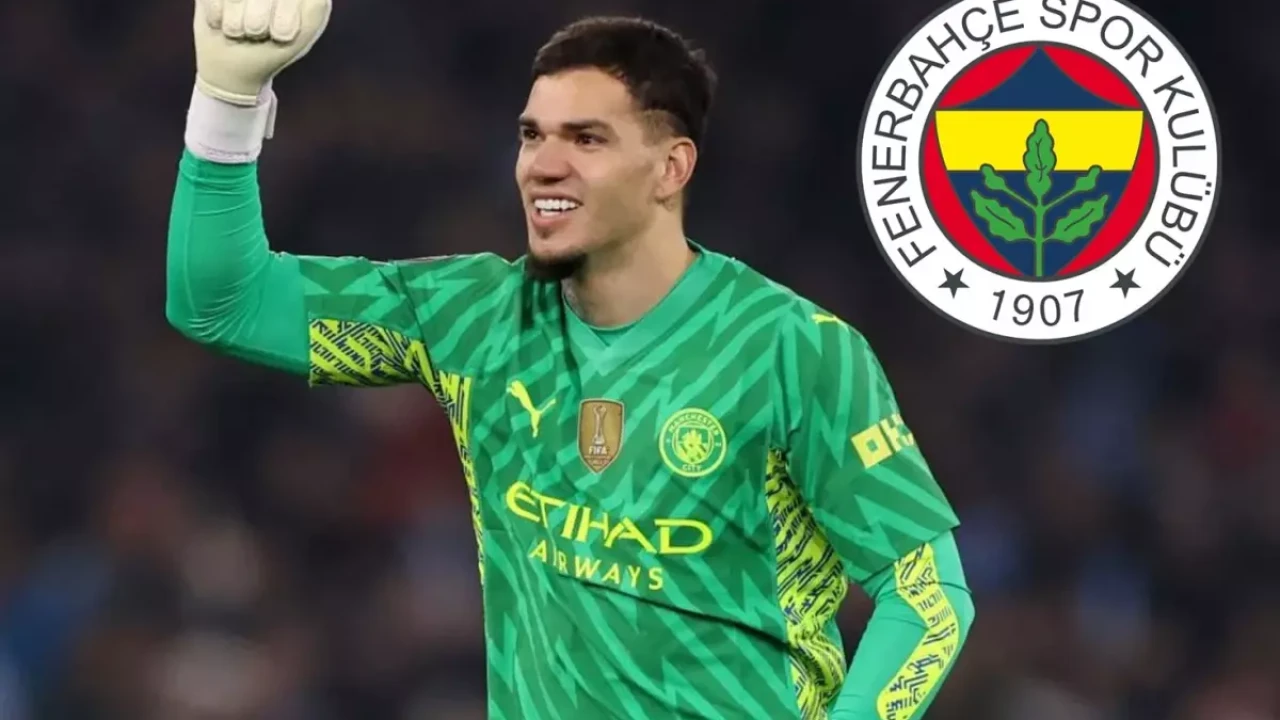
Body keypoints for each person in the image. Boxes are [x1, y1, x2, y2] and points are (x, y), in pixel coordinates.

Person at [167, 1, 976, 717]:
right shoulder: (473, 320)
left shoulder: (792, 349)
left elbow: (928, 598)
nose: (543, 164)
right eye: (532, 135)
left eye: (586, 138)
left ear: (671, 168)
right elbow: (222, 300)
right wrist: (228, 103)